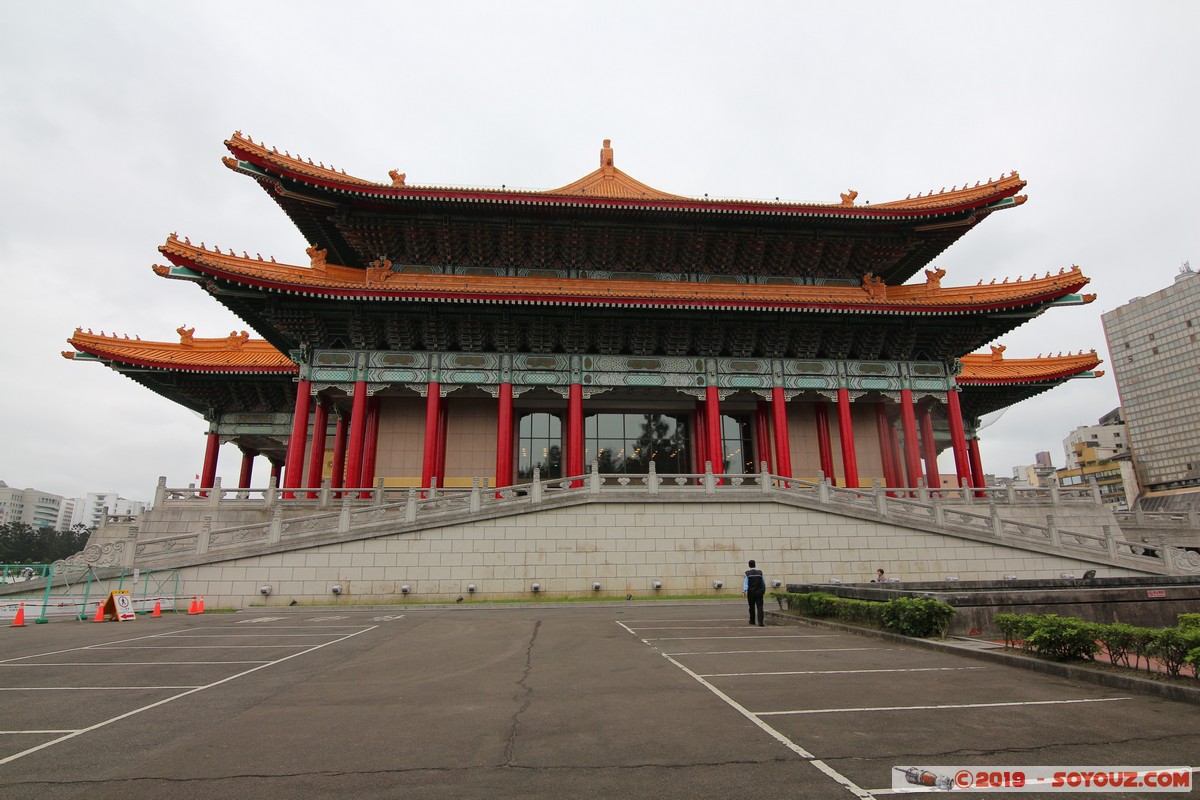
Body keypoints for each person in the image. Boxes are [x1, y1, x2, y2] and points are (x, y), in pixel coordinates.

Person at [742, 559, 766, 626]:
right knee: (760, 607)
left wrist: (744, 591)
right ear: (755, 564)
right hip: (759, 592)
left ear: (749, 565)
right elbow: (763, 582)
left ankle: (752, 620)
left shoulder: (747, 573)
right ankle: (760, 622)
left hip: (751, 592)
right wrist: (763, 590)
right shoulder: (760, 573)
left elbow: (745, 583)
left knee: (751, 607)